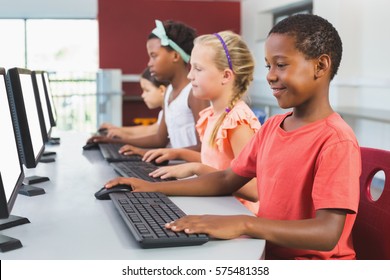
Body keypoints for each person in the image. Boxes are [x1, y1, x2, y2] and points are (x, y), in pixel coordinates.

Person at [104, 14, 361, 259]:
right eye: (268, 66)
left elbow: (327, 233)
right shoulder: (273, 126)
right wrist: (154, 189)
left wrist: (245, 224)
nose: (270, 75)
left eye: (281, 65)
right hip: (264, 251)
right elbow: (227, 178)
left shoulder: (336, 141)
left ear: (321, 66)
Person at [140, 31, 261, 210]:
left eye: (198, 69)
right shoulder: (213, 115)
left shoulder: (237, 122)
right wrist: (178, 154)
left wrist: (196, 168)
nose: (190, 76)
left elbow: (254, 190)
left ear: (226, 76)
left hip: (238, 215)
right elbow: (215, 163)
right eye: (191, 68)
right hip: (218, 205)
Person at [88, 20, 209, 152]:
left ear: (175, 56)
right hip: (175, 167)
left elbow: (203, 147)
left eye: (154, 56)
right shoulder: (168, 92)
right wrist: (114, 141)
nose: (149, 63)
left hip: (191, 171)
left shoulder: (194, 93)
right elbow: (159, 140)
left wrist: (146, 152)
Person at [98, 67, 168, 140]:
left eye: (147, 90)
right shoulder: (163, 112)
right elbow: (149, 130)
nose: (142, 95)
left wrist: (125, 137)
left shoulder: (171, 112)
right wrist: (117, 129)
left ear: (162, 90)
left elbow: (152, 132)